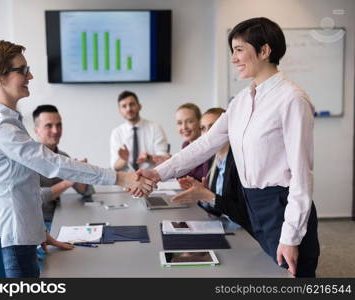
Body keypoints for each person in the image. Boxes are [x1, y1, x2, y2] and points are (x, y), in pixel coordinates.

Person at [134, 17, 320, 277]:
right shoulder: (241, 101)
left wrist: (290, 236)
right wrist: (158, 173)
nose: (234, 58)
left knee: (292, 277)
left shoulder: (292, 100)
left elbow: (302, 177)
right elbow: (206, 144)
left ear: (265, 51)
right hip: (252, 204)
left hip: (282, 205)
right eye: (232, 50)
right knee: (265, 273)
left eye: (239, 49)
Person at [0, 40, 154, 277]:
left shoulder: (9, 122)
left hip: (21, 235)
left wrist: (38, 231)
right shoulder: (0, 127)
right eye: (23, 70)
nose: (31, 75)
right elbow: (53, 163)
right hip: (13, 240)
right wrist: (121, 178)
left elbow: (22, 187)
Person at [174, 108, 254, 237]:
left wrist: (208, 196)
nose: (208, 133)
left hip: (243, 232)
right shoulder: (214, 159)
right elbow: (218, 209)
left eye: (213, 127)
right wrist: (202, 194)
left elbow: (243, 213)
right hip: (222, 225)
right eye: (203, 128)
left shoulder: (239, 161)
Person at [33, 104, 95, 225]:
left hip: (60, 218)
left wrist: (79, 173)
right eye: (49, 126)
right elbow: (36, 197)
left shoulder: (63, 156)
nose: (56, 131)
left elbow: (86, 191)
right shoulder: (28, 159)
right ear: (36, 130)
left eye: (59, 125)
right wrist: (68, 181)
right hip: (37, 225)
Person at [110, 90, 170, 172]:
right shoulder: (116, 133)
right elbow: (115, 166)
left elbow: (164, 160)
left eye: (132, 104)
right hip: (127, 179)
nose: (129, 109)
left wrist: (148, 158)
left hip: (152, 176)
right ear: (120, 111)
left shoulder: (155, 127)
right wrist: (124, 159)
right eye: (124, 106)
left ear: (139, 106)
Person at [175, 103, 205, 181]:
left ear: (200, 122)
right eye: (179, 123)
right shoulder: (186, 145)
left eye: (190, 121)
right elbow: (184, 177)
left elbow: (202, 179)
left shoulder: (206, 146)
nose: (184, 127)